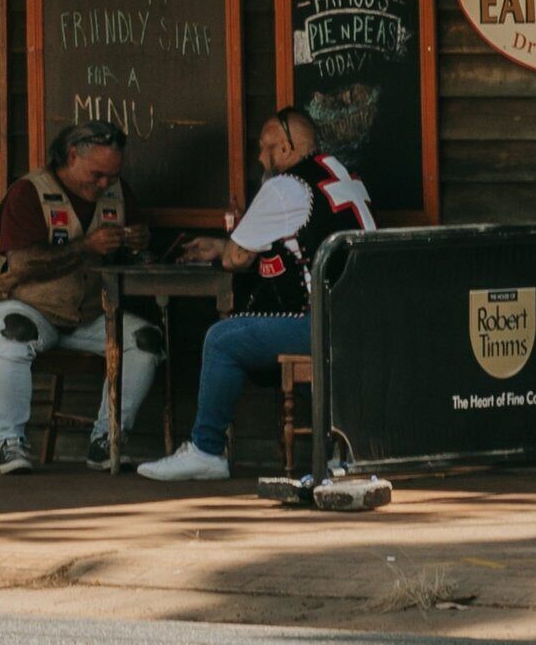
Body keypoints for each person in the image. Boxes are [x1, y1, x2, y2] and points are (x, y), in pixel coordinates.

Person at [136, 107, 377, 482]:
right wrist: (221, 244)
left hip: (322, 324)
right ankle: (340, 448)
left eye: (265, 147)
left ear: (286, 147)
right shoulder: (340, 173)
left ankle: (207, 450)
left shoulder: (283, 187)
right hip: (363, 318)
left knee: (221, 339)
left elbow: (236, 259)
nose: (260, 157)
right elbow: (276, 238)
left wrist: (226, 248)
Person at [0, 120, 160, 472]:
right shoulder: (28, 192)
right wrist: (85, 247)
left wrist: (140, 239)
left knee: (147, 340)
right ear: (72, 155)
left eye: (112, 175)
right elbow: (24, 262)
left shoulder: (117, 190)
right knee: (14, 334)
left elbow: (136, 246)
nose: (106, 183)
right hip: (31, 306)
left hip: (91, 312)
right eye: (97, 175)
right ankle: (11, 442)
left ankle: (106, 439)